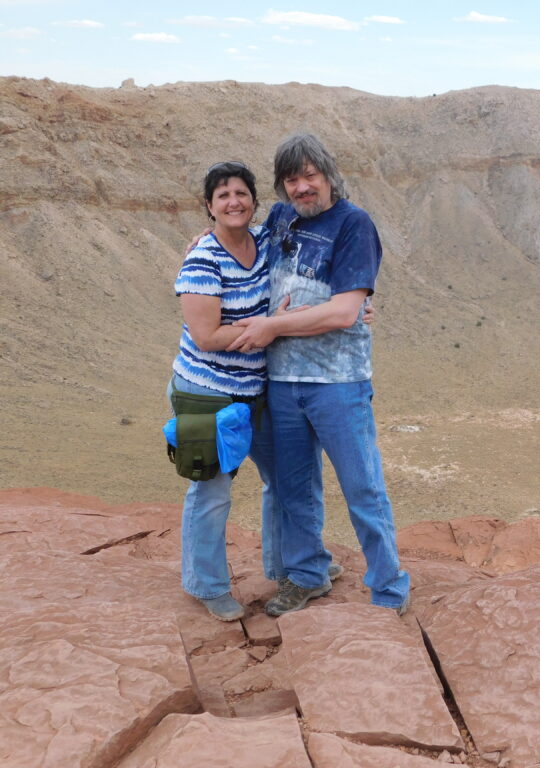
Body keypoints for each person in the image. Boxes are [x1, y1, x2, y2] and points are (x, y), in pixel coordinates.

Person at [228, 133, 409, 617]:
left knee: (362, 487)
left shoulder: (354, 225)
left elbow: (344, 313)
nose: (302, 187)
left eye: (310, 176)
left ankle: (389, 591)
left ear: (328, 175)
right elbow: (240, 248)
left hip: (338, 382)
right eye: (291, 179)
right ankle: (308, 575)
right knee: (293, 488)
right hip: (283, 381)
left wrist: (275, 325)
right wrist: (201, 243)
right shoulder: (282, 217)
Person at [170, 161, 356, 620]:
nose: (233, 201)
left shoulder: (267, 239)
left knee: (288, 479)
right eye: (222, 196)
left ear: (253, 200)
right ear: (209, 206)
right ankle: (207, 585)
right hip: (208, 393)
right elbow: (207, 337)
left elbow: (313, 275)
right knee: (212, 491)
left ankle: (295, 565)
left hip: (258, 389)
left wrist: (352, 307)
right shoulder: (202, 260)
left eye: (240, 193)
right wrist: (270, 329)